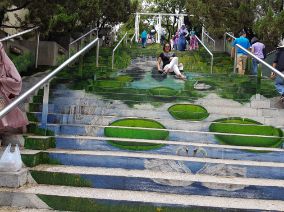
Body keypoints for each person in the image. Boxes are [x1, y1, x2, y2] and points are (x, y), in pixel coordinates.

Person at [0, 42, 28, 132]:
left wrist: (2, 80)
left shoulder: (6, 63)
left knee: (5, 113)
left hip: (1, 94)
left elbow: (17, 79)